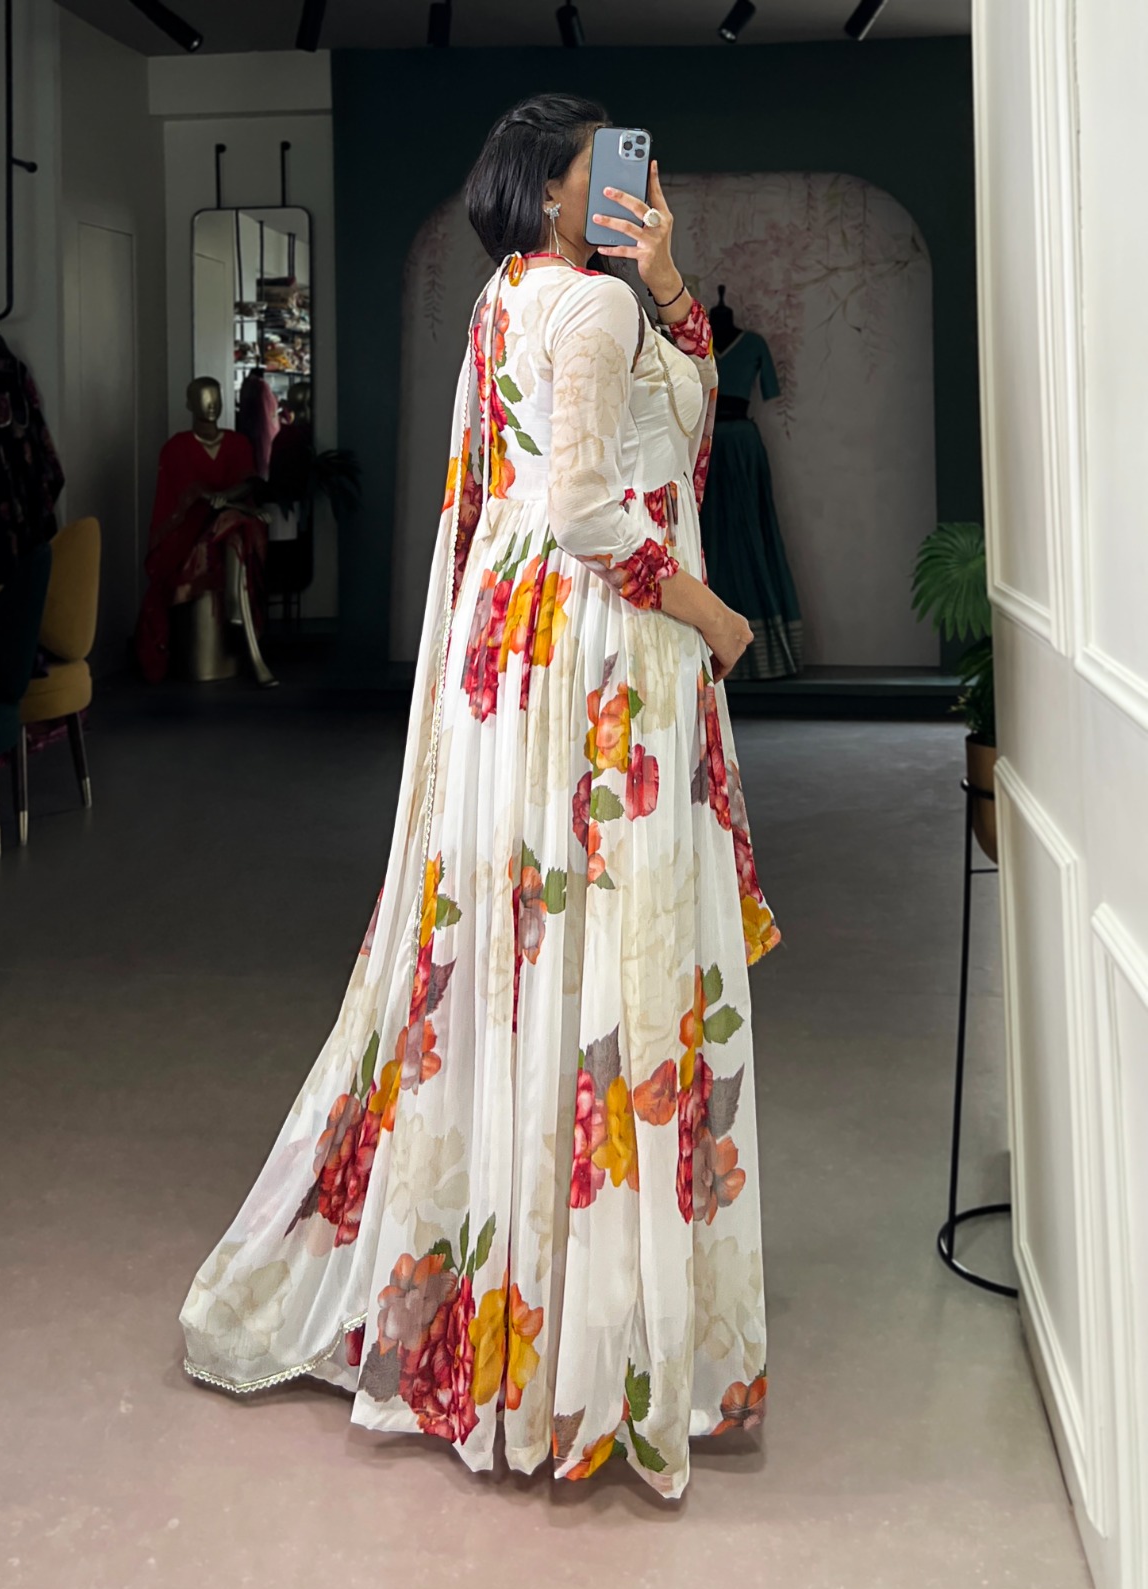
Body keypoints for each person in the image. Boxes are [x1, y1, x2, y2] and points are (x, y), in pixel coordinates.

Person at [178, 94, 782, 1498]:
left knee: (523, 952)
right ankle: (586, 1338)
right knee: (605, 955)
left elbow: (659, 430)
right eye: (598, 168)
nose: (624, 180)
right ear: (555, 190)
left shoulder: (510, 296)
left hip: (511, 652)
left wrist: (670, 281)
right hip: (597, 653)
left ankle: (536, 1293)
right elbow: (589, 506)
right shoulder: (586, 306)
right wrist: (713, 617)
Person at [135, 377, 276, 687]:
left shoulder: (237, 443)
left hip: (233, 522)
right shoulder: (176, 448)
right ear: (189, 403)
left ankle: (235, 605)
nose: (211, 404)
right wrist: (210, 498)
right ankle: (239, 614)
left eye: (216, 397)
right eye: (202, 397)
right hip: (190, 528)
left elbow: (247, 482)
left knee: (235, 524)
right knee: (232, 523)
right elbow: (183, 498)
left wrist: (228, 499)